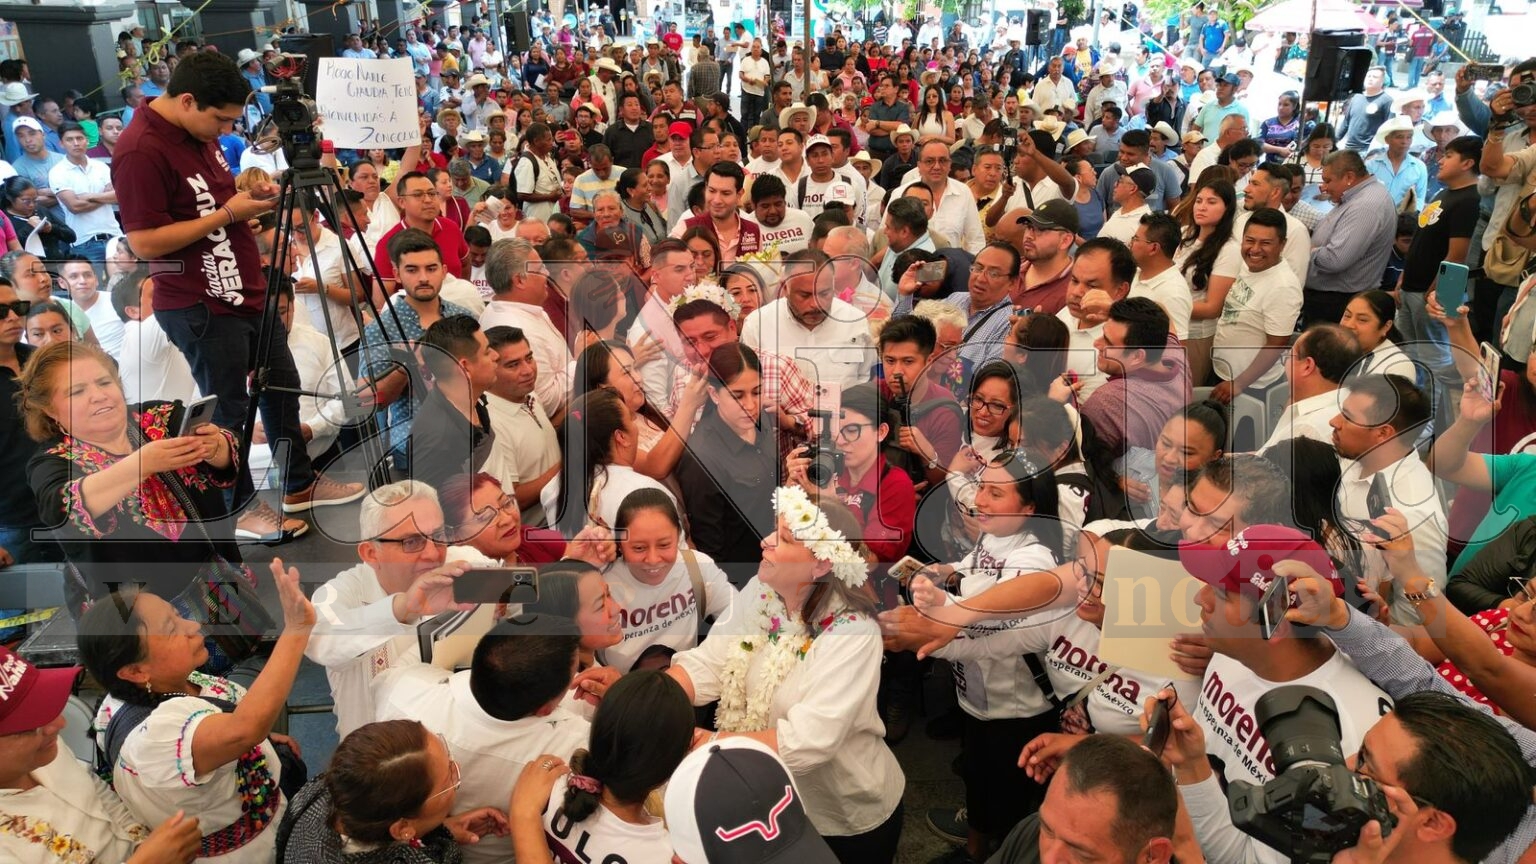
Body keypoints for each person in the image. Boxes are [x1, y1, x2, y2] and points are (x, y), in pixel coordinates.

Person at [113, 52, 362, 539]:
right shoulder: (140, 149)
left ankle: (298, 484)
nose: (226, 130)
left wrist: (250, 202)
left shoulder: (197, 133)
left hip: (246, 290)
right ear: (188, 101)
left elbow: (214, 200)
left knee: (282, 388)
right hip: (199, 301)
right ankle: (240, 506)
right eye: (221, 119)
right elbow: (143, 243)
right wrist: (228, 215)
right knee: (228, 410)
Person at [592, 488, 906, 862]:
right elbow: (711, 662)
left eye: (784, 539)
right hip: (765, 806)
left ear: (822, 564)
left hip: (840, 813)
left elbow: (809, 741)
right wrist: (642, 696)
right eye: (773, 530)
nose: (765, 541)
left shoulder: (852, 633)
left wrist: (708, 743)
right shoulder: (761, 590)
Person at [77, 558, 314, 864]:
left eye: (177, 615)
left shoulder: (151, 688)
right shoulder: (155, 738)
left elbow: (226, 732)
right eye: (171, 629)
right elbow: (244, 729)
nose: (193, 626)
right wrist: (297, 628)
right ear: (135, 671)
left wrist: (257, 744)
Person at [20, 341, 247, 598]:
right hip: (136, 611)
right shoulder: (53, 461)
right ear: (50, 409)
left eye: (105, 382)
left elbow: (231, 454)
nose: (98, 395)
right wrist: (142, 464)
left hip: (218, 585)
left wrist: (215, 446)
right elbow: (62, 507)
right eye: (77, 391)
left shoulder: (160, 417)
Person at [372, 616, 592, 864]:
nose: (455, 772)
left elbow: (389, 677)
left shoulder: (402, 692)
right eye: (576, 673)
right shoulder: (577, 747)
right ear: (545, 709)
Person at [0, 644, 204, 864]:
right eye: (28, 726)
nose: (59, 724)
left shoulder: (45, 751)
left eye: (43, 707)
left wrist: (142, 842)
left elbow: (96, 792)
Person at [277, 719, 510, 863]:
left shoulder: (329, 790)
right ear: (402, 828)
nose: (455, 768)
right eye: (448, 781)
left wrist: (440, 830)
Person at [1330, 373, 1448, 623]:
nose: (1334, 421)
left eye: (1348, 417)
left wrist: (1360, 629)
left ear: (1383, 433)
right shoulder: (1357, 455)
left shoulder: (1414, 513)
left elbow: (1416, 614)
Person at [359, 228, 477, 471]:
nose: (423, 278)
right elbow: (368, 401)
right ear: (397, 274)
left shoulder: (463, 317)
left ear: (444, 271)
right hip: (415, 445)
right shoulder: (382, 329)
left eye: (431, 268)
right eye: (412, 270)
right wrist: (406, 366)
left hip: (471, 435)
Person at [672, 341, 780, 578]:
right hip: (742, 578)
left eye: (757, 392)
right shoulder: (702, 458)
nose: (750, 405)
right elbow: (710, 550)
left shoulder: (762, 420)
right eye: (737, 395)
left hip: (776, 562)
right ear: (714, 394)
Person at [987, 733, 1180, 864]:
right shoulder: (1032, 832)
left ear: (1153, 857)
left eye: (1082, 854)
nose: (1049, 860)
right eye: (1047, 830)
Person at [602, 489, 735, 671]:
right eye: (639, 548)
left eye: (664, 545)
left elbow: (741, 617)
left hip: (686, 681)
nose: (653, 559)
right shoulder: (602, 582)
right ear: (619, 543)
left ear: (679, 536)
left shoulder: (695, 567)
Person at [1211, 208, 1302, 403]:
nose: (1255, 249)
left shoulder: (1283, 287)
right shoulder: (1250, 266)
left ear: (1282, 244)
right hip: (1224, 372)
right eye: (1250, 240)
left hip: (1250, 386)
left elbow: (1276, 344)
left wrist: (1239, 383)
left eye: (1265, 243)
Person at [1305, 150, 1398, 327]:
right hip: (1332, 299)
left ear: (1349, 177)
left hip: (1337, 303)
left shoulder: (1366, 205)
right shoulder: (1357, 197)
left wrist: (1307, 250)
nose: (1323, 187)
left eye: (1328, 181)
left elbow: (1336, 260)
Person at [1260, 323, 1361, 451]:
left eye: (1289, 357)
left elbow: (1270, 463)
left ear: (1307, 366)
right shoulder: (1349, 404)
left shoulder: (1307, 430)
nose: (1286, 364)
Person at [1340, 289, 1417, 381]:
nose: (1349, 325)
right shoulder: (1338, 352)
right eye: (1347, 316)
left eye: (1362, 319)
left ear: (1386, 326)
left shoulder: (1398, 366)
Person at [1, 175, 74, 260]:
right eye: (26, 201)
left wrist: (51, 228)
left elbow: (71, 236)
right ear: (10, 198)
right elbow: (11, 249)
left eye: (35, 200)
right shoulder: (5, 219)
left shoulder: (40, 210)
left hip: (56, 263)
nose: (32, 205)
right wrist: (29, 228)